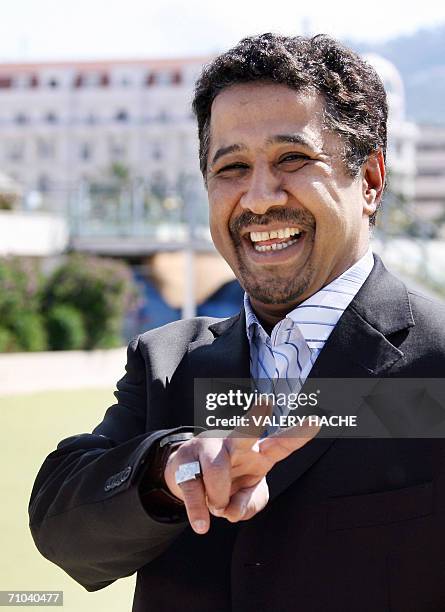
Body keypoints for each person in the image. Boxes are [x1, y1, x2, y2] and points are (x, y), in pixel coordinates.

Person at [29, 33, 445, 612]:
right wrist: (170, 471)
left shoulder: (437, 362)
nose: (258, 198)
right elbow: (60, 527)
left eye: (292, 159)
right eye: (232, 167)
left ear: (371, 181)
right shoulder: (167, 364)